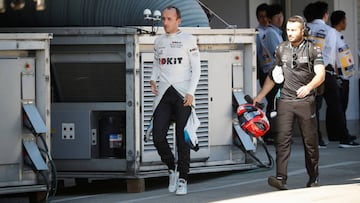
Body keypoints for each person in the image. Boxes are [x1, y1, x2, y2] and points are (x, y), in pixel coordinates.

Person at [253, 15, 325, 190]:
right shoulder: (281, 48)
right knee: (282, 140)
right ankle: (280, 178)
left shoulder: (313, 49)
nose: (290, 33)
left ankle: (313, 177)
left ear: (303, 31)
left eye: (294, 30)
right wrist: (260, 96)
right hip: (285, 100)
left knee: (310, 142)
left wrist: (308, 87)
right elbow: (273, 76)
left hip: (306, 102)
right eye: (288, 30)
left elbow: (321, 74)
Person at [150, 6, 201, 195]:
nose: (165, 22)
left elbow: (196, 69)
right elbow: (157, 63)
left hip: (182, 94)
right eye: (163, 19)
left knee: (182, 139)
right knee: (157, 136)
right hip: (163, 94)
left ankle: (183, 178)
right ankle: (172, 168)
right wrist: (152, 78)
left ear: (178, 21)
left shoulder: (188, 40)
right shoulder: (159, 41)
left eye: (169, 19)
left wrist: (191, 92)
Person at [306, 1, 359, 147]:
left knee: (313, 107)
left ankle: (316, 139)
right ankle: (344, 137)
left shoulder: (304, 29)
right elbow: (331, 55)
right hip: (324, 72)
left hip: (306, 72)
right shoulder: (329, 31)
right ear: (324, 14)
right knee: (336, 105)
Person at [330, 10, 359, 147]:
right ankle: (341, 134)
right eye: (345, 20)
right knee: (339, 107)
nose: (346, 22)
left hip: (344, 74)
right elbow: (334, 56)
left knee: (340, 106)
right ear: (341, 21)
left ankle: (335, 133)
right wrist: (337, 76)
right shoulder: (333, 35)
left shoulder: (338, 35)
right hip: (340, 75)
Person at [259, 3, 284, 145]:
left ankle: (272, 134)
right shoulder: (271, 34)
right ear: (270, 18)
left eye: (281, 15)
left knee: (275, 104)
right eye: (276, 16)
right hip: (272, 74)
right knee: (274, 105)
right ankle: (271, 134)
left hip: (274, 73)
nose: (280, 18)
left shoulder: (275, 33)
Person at [303, 2, 327, 148]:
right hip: (318, 71)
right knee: (316, 106)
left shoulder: (302, 30)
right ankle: (316, 138)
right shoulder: (327, 30)